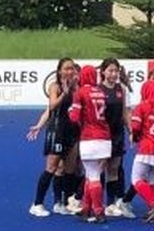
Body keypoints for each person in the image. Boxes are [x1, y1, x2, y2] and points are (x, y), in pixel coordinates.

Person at [26, 57, 79, 217]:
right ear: (60, 71)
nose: (70, 71)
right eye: (66, 68)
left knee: (69, 168)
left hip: (72, 130)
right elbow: (52, 107)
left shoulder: (77, 88)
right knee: (52, 167)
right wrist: (39, 126)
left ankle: (63, 203)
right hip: (57, 130)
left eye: (72, 69)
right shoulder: (54, 87)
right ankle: (37, 203)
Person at [68, 65, 111, 222]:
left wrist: (70, 111)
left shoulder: (80, 93)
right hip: (105, 138)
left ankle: (98, 211)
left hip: (89, 138)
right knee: (91, 174)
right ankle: (86, 208)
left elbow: (74, 117)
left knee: (93, 176)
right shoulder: (100, 91)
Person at [125, 72, 154, 221]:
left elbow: (136, 127)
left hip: (147, 147)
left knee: (136, 179)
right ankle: (153, 211)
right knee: (153, 181)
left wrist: (135, 135)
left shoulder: (142, 107)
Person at [100, 59, 134, 219]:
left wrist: (131, 131)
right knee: (99, 169)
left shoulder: (123, 89)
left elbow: (126, 113)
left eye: (116, 71)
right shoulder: (97, 90)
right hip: (101, 135)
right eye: (110, 71)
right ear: (103, 72)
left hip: (117, 134)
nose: (113, 74)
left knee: (114, 169)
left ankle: (110, 203)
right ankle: (90, 201)